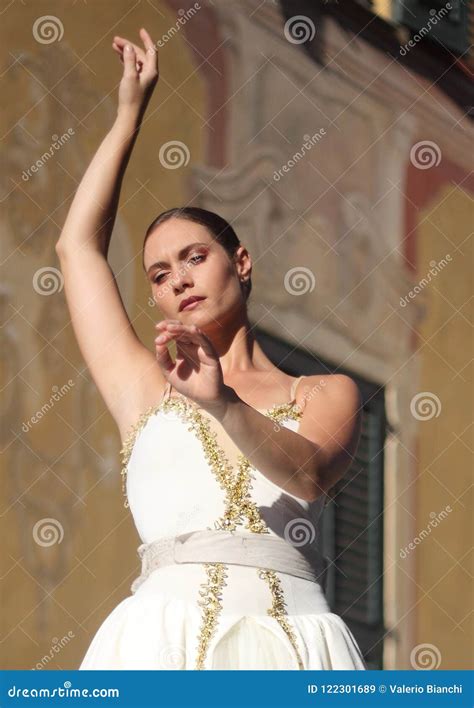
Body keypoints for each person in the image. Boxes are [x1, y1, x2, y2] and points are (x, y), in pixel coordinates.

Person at [56, 28, 367, 671]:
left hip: (293, 645)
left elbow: (306, 475)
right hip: (157, 646)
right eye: (161, 275)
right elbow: (77, 249)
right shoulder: (144, 390)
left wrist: (223, 402)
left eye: (194, 257)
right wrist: (129, 115)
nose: (179, 280)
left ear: (241, 262)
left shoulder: (324, 393)